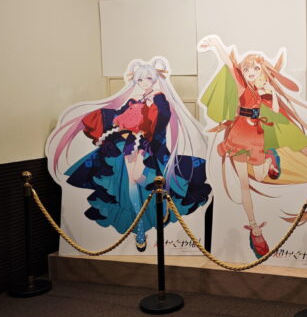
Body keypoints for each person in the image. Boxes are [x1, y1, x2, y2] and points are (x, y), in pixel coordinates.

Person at [47, 58, 211, 251]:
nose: (144, 83)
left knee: (142, 178)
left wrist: (149, 112)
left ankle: (164, 203)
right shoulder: (135, 101)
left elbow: (161, 122)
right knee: (130, 183)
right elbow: (120, 116)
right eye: (140, 80)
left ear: (155, 79)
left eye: (148, 79)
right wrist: (112, 123)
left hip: (151, 147)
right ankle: (139, 227)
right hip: (130, 146)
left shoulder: (160, 100)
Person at [198, 35, 307, 258]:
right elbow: (229, 64)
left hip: (258, 137)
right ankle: (255, 229)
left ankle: (271, 157)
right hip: (239, 136)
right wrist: (216, 44)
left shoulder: (265, 90)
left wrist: (271, 92)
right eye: (247, 69)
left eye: (255, 69)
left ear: (262, 71)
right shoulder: (241, 86)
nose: (250, 73)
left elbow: (277, 112)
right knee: (244, 184)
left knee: (260, 176)